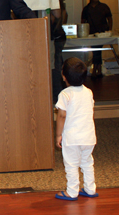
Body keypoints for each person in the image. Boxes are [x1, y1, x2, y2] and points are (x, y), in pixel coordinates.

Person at [55, 57, 98, 201]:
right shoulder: (89, 92)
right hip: (89, 137)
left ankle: (72, 192)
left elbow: (61, 116)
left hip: (72, 138)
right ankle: (90, 189)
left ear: (64, 76)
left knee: (71, 164)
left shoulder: (65, 94)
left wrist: (58, 135)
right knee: (87, 162)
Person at [81, 0, 113, 78]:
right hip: (91, 32)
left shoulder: (104, 6)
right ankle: (97, 69)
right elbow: (83, 21)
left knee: (98, 50)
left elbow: (109, 18)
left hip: (102, 32)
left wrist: (110, 30)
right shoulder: (87, 9)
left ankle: (96, 69)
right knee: (96, 50)